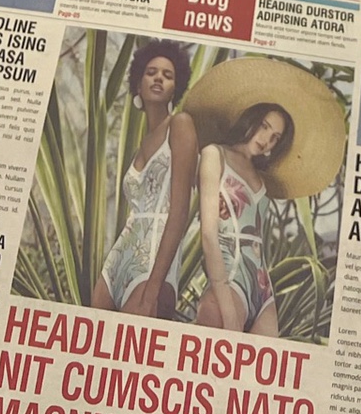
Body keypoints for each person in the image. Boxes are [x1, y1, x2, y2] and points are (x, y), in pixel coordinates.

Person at [93, 40, 197, 318]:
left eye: (167, 75)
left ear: (176, 87)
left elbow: (180, 212)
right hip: (119, 258)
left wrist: (153, 290)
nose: (159, 78)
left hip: (154, 261)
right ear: (138, 84)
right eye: (151, 72)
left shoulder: (181, 125)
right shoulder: (141, 144)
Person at [194, 103, 295, 335]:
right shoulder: (215, 154)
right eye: (264, 126)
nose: (266, 140)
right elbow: (208, 234)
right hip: (228, 278)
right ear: (251, 119)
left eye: (275, 137)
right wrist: (227, 307)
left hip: (262, 289)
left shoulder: (261, 177)